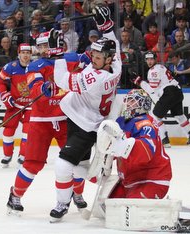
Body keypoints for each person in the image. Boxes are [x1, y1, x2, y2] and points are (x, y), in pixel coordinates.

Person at [49, 5, 122, 222]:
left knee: (63, 164)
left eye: (98, 57)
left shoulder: (95, 80)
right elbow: (114, 43)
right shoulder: (116, 65)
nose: (93, 59)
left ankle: (62, 203)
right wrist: (105, 26)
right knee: (80, 164)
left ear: (107, 59)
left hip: (85, 124)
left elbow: (61, 80)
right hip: (81, 116)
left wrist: (57, 54)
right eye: (93, 54)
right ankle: (83, 185)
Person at [6, 29, 88, 215]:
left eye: (45, 45)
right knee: (33, 163)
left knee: (75, 161)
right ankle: (15, 195)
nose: (42, 49)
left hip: (67, 119)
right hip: (41, 121)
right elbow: (34, 88)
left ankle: (77, 194)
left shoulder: (71, 58)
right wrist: (42, 87)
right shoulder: (35, 65)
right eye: (40, 45)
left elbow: (90, 60)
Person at [95, 89, 172, 200]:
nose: (127, 104)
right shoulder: (121, 122)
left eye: (132, 101)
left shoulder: (145, 123)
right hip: (128, 181)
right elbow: (113, 148)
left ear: (143, 104)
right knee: (105, 207)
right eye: (127, 100)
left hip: (151, 180)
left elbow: (145, 152)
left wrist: (118, 146)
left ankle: (162, 212)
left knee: (129, 211)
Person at [132, 51, 190, 148]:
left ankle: (164, 140)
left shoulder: (153, 71)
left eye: (151, 59)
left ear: (155, 59)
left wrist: (139, 82)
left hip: (169, 93)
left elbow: (152, 90)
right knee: (179, 116)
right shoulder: (161, 67)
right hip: (178, 91)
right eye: (147, 59)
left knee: (155, 116)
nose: (149, 61)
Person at [0, 43, 32, 166]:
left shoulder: (36, 67)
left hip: (31, 106)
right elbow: (0, 80)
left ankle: (23, 154)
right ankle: (7, 155)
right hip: (15, 104)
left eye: (28, 53)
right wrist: (5, 95)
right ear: (19, 54)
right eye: (23, 53)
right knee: (8, 130)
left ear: (31, 54)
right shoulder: (10, 67)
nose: (25, 55)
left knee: (28, 132)